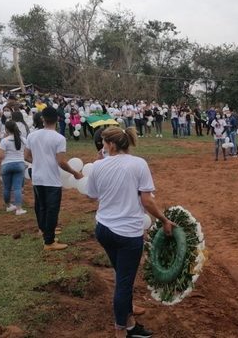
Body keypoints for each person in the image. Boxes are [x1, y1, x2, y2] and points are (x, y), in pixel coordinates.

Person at [86, 126, 174, 337]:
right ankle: (121, 332)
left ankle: (131, 325)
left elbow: (91, 196)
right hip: (127, 234)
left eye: (104, 143)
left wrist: (100, 164)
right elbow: (147, 201)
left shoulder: (98, 166)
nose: (103, 146)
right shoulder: (138, 164)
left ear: (112, 145)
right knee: (124, 284)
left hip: (104, 230)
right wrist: (163, 220)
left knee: (121, 278)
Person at [25, 107, 83, 251]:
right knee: (52, 209)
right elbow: (61, 162)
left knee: (41, 206)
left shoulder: (32, 135)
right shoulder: (59, 138)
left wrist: (38, 161)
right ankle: (49, 242)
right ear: (57, 119)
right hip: (51, 178)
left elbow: (26, 156)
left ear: (42, 119)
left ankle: (45, 232)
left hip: (37, 176)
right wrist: (74, 172)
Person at [0, 121, 27, 215]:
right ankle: (18, 209)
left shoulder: (4, 141)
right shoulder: (23, 139)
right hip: (19, 164)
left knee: (6, 188)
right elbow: (26, 153)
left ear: (6, 129)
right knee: (17, 188)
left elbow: (0, 156)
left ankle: (9, 206)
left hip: (6, 165)